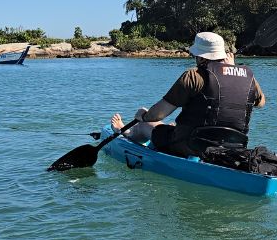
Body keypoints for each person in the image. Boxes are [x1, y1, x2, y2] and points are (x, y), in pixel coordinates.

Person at [110, 31, 265, 157]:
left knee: (146, 124)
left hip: (192, 145)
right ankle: (174, 130)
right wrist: (231, 71)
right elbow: (260, 103)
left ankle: (126, 132)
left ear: (200, 56)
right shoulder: (248, 76)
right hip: (234, 146)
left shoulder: (193, 76)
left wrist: (143, 116)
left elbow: (157, 115)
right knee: (172, 126)